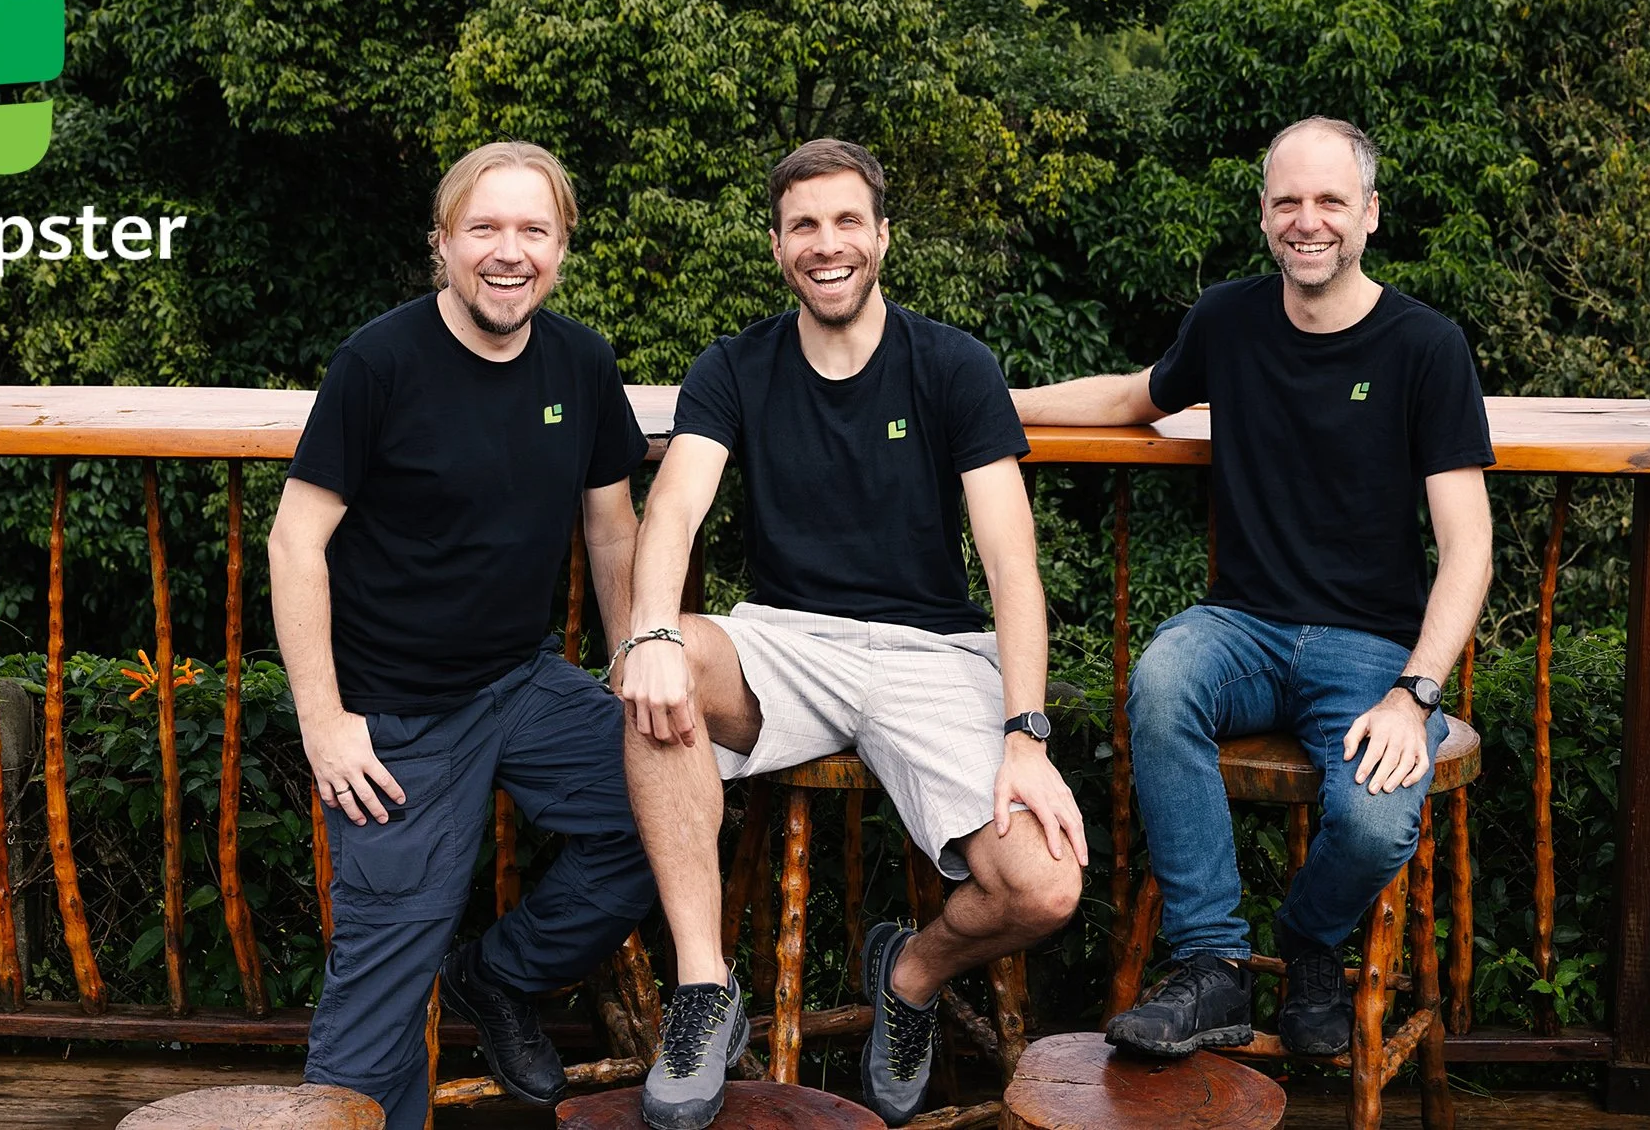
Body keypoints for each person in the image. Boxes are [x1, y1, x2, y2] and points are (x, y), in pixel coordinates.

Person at [617, 139, 1087, 1129]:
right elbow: (672, 511)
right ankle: (703, 992)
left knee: (1044, 888)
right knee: (656, 677)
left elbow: (1011, 564)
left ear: (881, 234)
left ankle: (906, 974)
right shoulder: (734, 366)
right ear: (778, 243)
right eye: (803, 226)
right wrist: (651, 629)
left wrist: (1025, 730)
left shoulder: (953, 364)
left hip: (934, 656)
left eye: (845, 222)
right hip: (787, 642)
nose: (825, 245)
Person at [1011, 116, 1493, 1060]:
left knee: (1369, 821)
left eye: (1329, 202)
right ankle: (1212, 967)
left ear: (1370, 216)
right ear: (1265, 216)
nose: (1307, 221)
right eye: (1288, 201)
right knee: (1160, 681)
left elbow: (1468, 550)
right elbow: (1132, 396)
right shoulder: (1228, 318)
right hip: (1243, 626)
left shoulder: (1426, 347)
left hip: (1372, 652)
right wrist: (992, 406)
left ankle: (1310, 940)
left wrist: (1416, 693)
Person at [269, 141, 656, 1127]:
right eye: (483, 227)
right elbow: (294, 539)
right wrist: (326, 721)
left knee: (670, 806)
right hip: (394, 720)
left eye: (533, 229)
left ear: (562, 247)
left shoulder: (580, 358)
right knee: (379, 1006)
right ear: (441, 243)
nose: (508, 250)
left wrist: (631, 664)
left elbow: (611, 525)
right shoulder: (380, 361)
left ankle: (500, 974)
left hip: (521, 683)